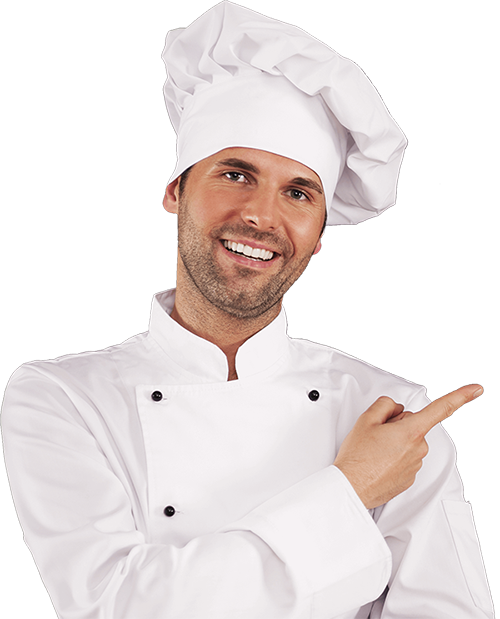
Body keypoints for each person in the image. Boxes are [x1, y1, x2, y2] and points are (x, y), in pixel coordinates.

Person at [2, 3, 493, 618]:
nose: (262, 215)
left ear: (320, 234)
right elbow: (112, 606)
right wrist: (350, 489)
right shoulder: (63, 398)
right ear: (176, 190)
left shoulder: (391, 412)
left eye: (298, 192)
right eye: (236, 174)